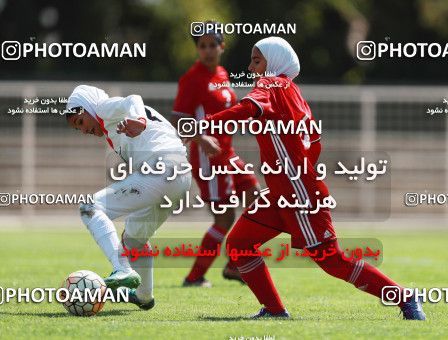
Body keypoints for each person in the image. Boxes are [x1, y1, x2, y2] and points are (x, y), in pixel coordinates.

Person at [198, 36, 426, 320]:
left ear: (274, 62)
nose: (251, 67)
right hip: (285, 190)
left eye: (257, 60)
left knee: (332, 261)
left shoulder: (271, 84)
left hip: (296, 193)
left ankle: (404, 296)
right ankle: (274, 310)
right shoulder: (292, 91)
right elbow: (314, 143)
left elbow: (248, 109)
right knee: (239, 244)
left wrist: (205, 124)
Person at [66, 85, 192, 310]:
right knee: (134, 239)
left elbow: (133, 98)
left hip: (161, 169)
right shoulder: (111, 124)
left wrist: (139, 121)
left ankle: (121, 268)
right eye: (77, 128)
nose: (83, 130)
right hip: (180, 175)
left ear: (87, 107)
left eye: (80, 122)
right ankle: (144, 296)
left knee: (89, 206)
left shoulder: (103, 108)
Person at [170, 22, 260, 287]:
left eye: (212, 45)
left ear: (222, 46)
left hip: (228, 154)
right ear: (197, 49)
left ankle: (235, 264)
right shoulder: (192, 78)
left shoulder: (221, 73)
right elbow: (177, 119)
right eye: (202, 46)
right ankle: (195, 276)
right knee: (225, 216)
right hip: (207, 159)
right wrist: (201, 137)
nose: (208, 50)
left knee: (258, 201)